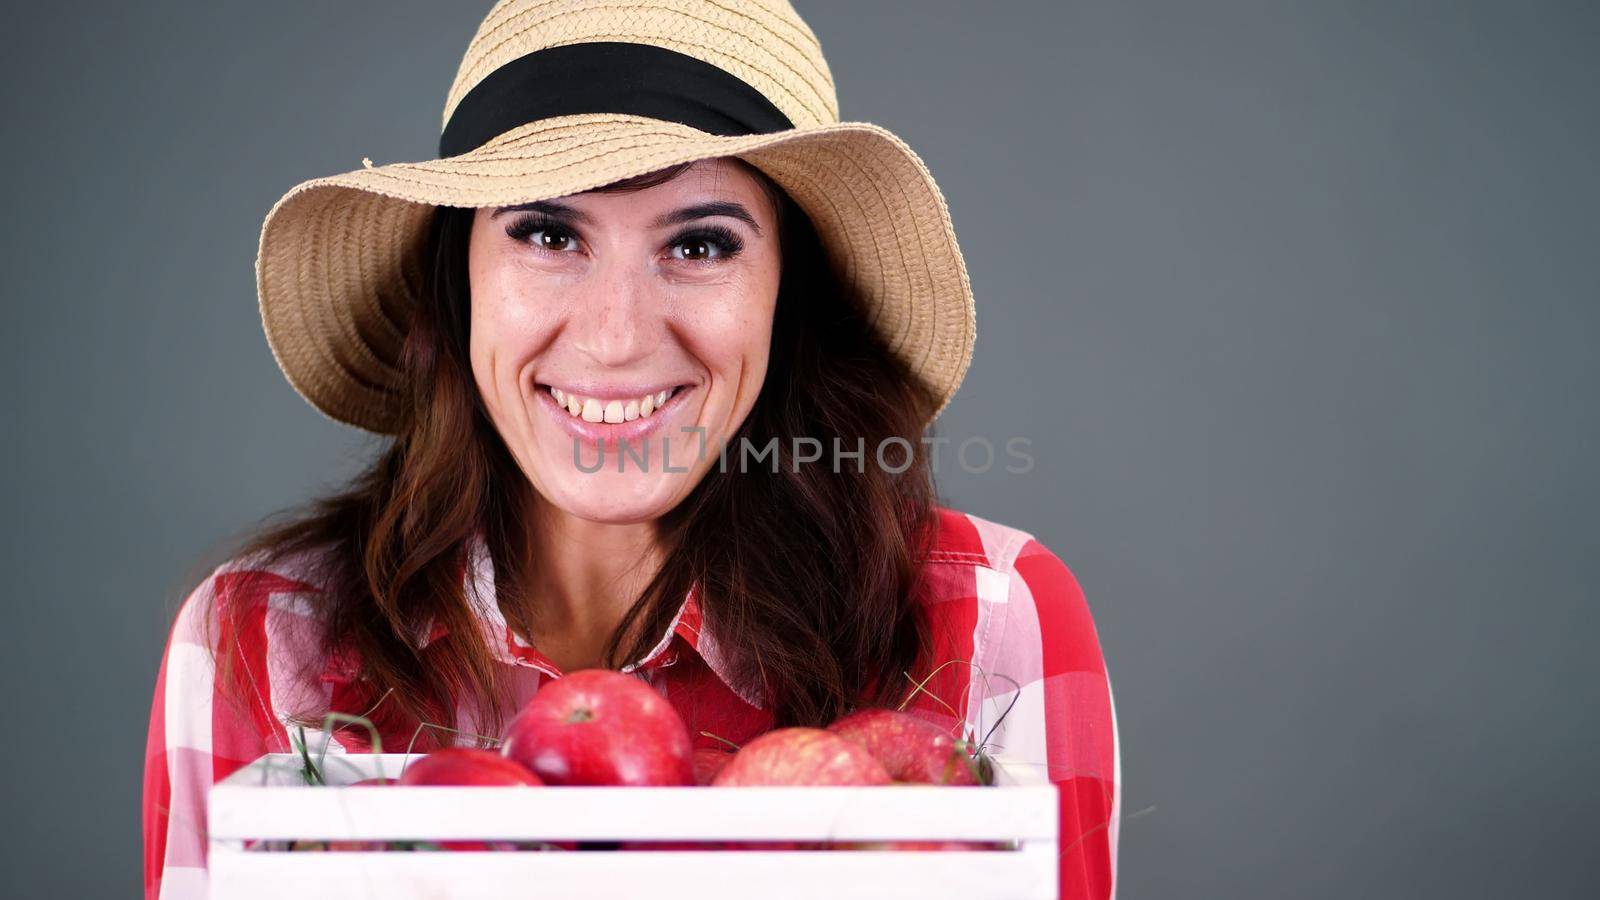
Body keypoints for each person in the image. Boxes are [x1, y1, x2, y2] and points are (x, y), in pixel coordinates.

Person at [141, 1, 1121, 897]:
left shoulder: (988, 626)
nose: (614, 338)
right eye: (546, 234)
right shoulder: (266, 645)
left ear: (790, 295)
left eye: (699, 245)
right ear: (459, 280)